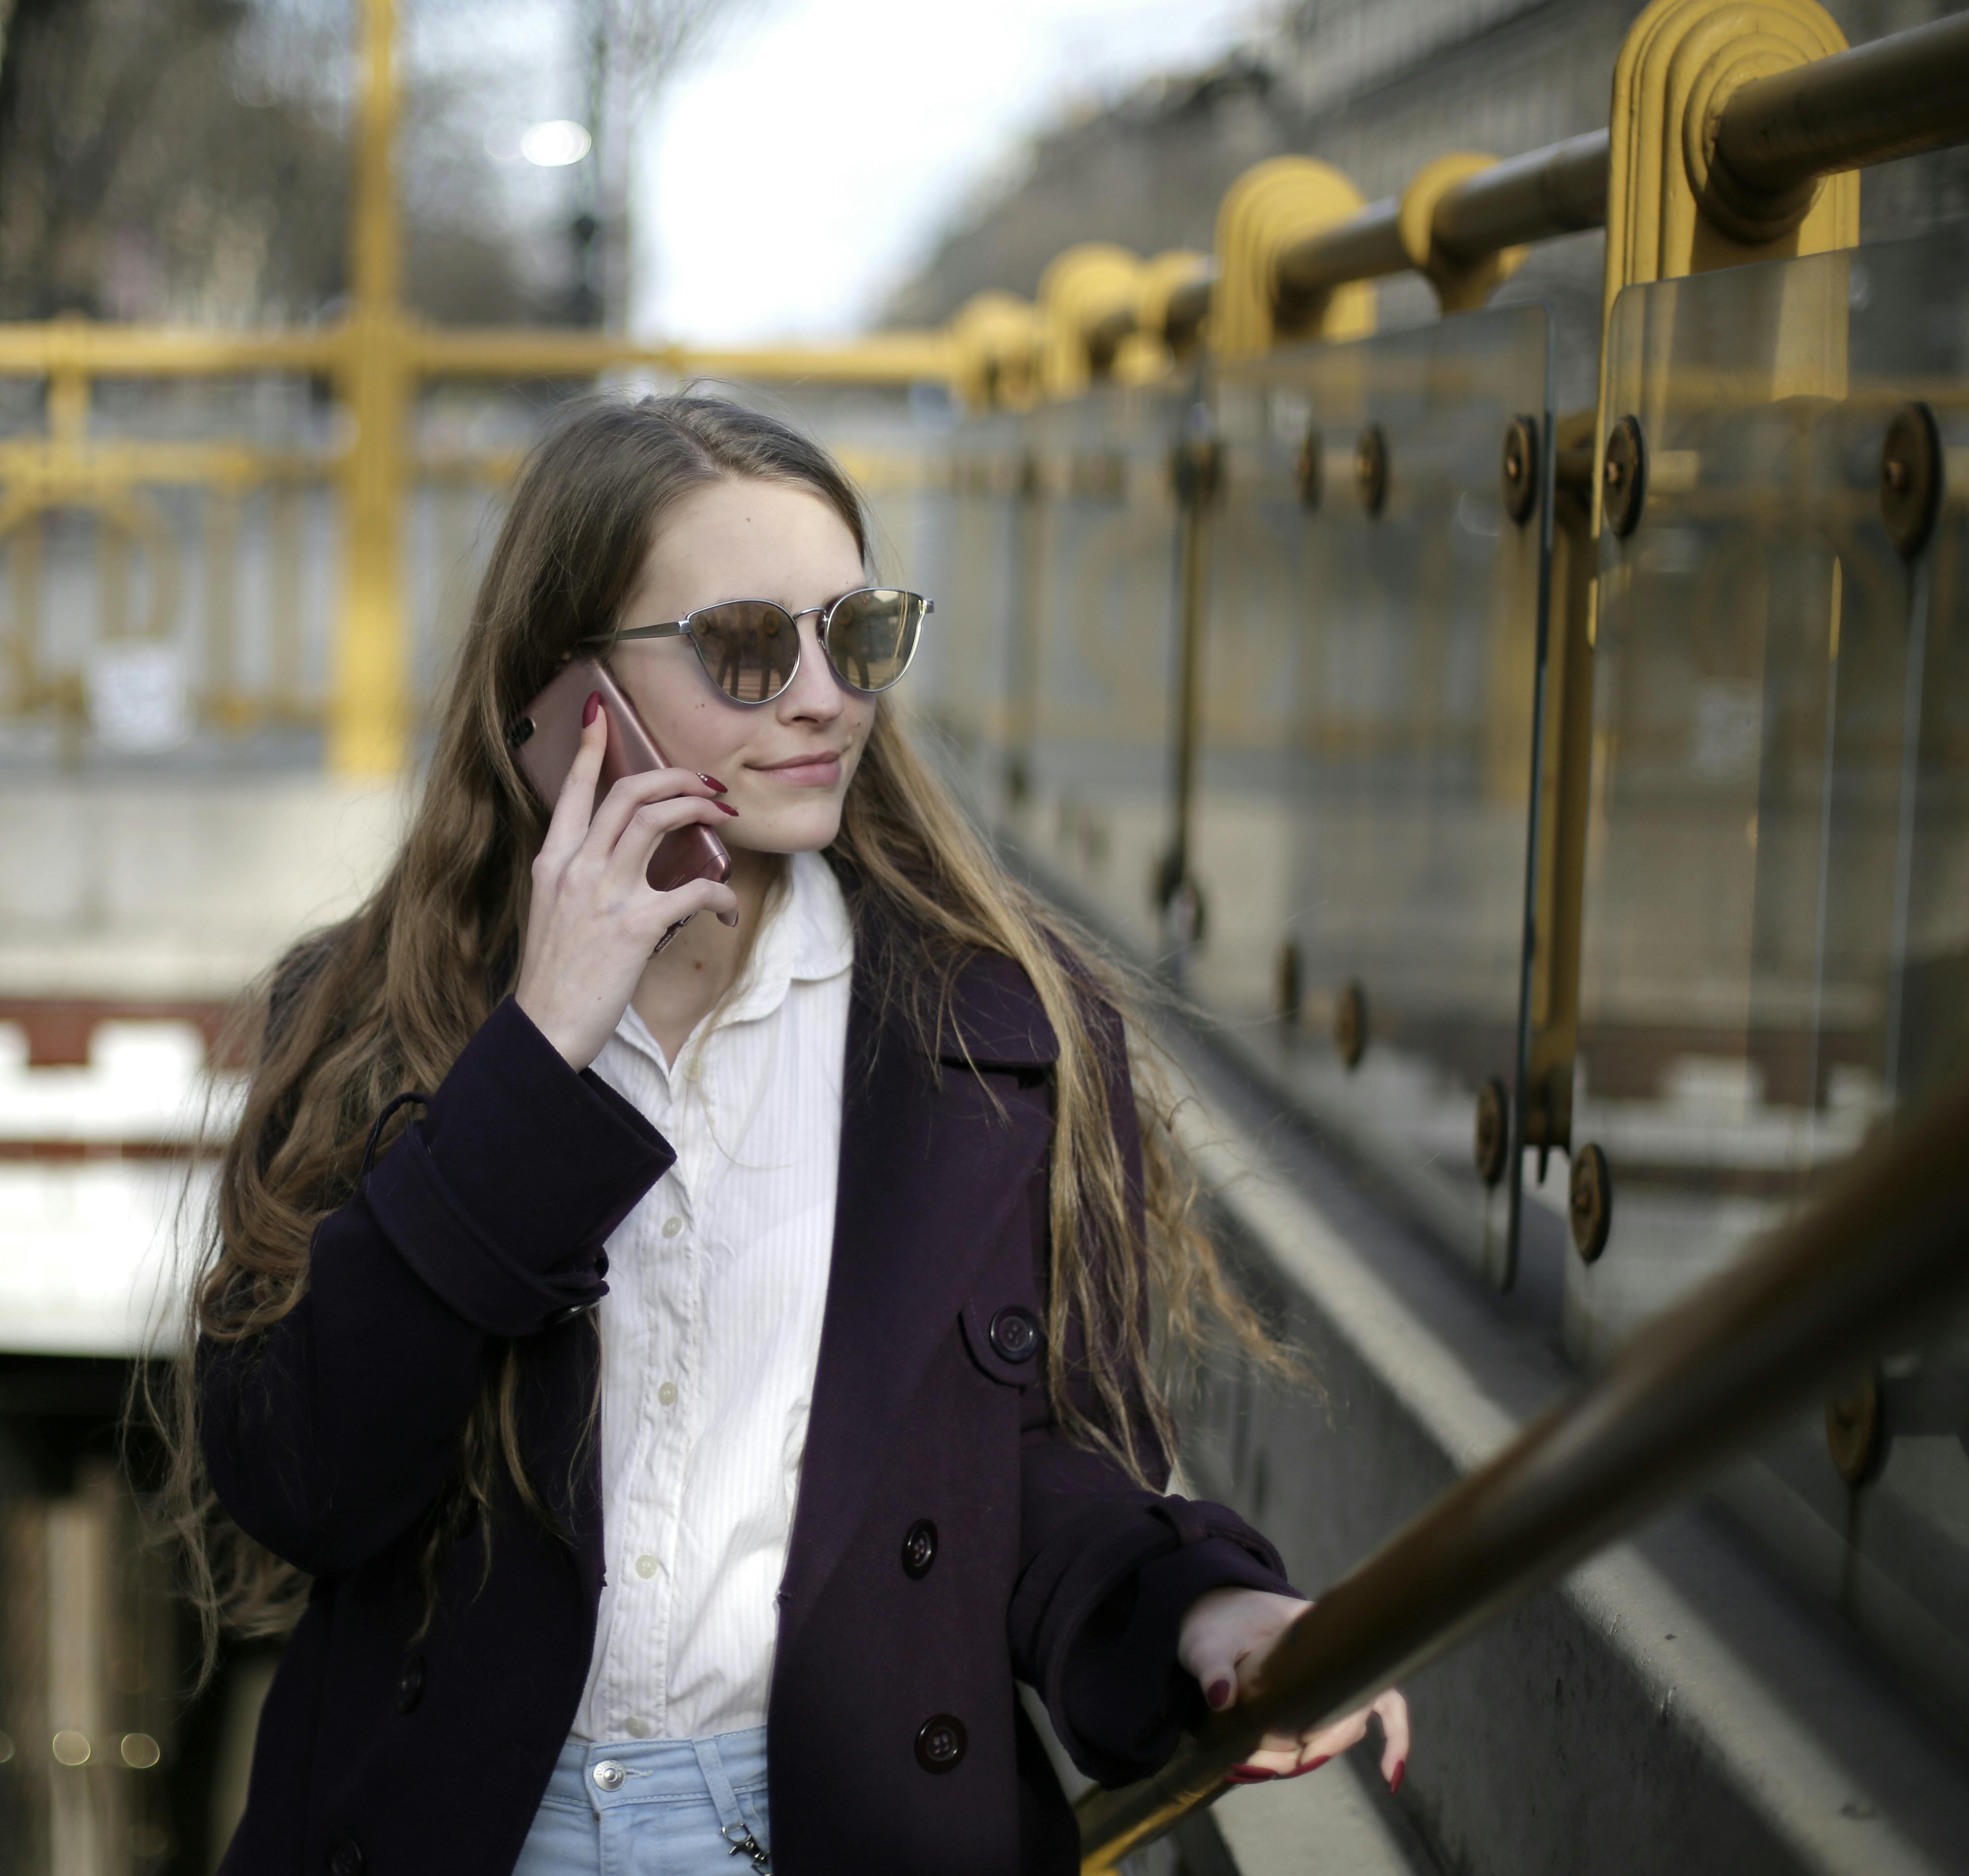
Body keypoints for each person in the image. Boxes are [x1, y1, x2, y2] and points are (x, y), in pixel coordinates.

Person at [171, 394, 1408, 1875]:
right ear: (572, 696)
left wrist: (1212, 1614)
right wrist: (540, 1052)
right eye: (752, 649)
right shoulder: (376, 1016)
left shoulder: (1002, 1036)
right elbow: (301, 1484)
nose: (826, 699)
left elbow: (1037, 1471)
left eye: (862, 634)